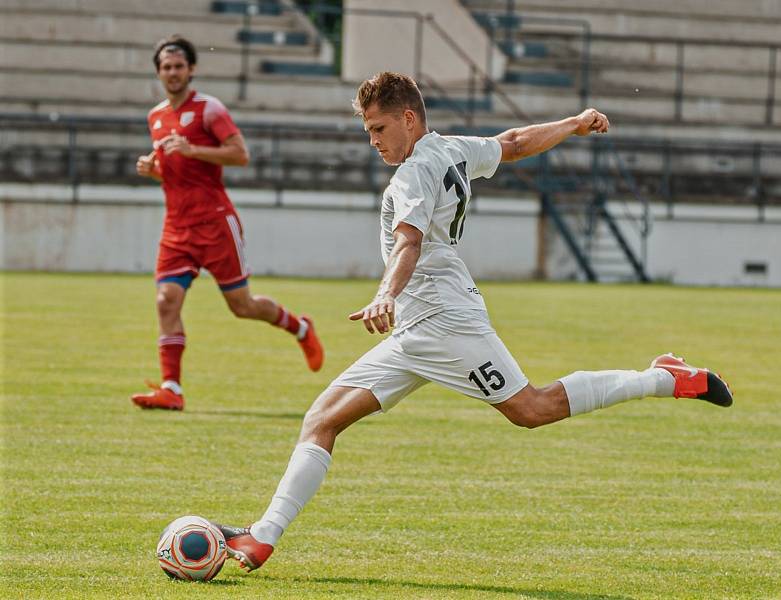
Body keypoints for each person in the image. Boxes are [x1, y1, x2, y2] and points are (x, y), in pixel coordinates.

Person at [213, 72, 733, 570]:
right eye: (367, 130)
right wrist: (573, 123)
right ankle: (263, 537)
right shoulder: (451, 147)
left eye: (379, 128)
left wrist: (384, 294)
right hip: (420, 327)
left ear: (409, 119)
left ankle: (663, 378)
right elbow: (513, 143)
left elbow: (409, 241)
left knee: (532, 408)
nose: (372, 141)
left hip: (444, 322)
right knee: (323, 419)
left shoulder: (414, 171)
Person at [131, 35, 323, 411]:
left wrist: (193, 149)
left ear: (191, 69)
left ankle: (300, 327)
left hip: (216, 223)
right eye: (166, 67)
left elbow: (241, 154)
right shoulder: (155, 116)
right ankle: (172, 388)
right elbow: (177, 173)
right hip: (176, 228)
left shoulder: (209, 109)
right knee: (166, 300)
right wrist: (153, 170)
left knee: (242, 306)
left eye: (178, 66)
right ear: (158, 72)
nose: (172, 73)